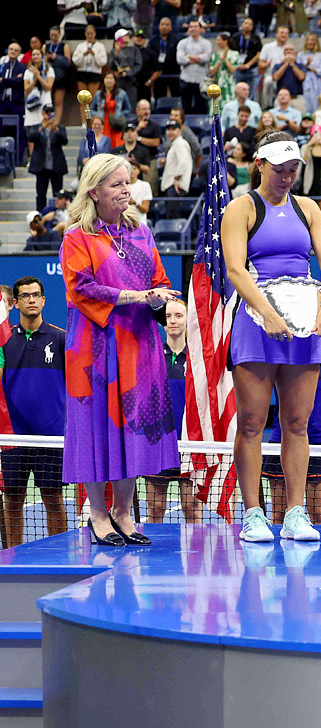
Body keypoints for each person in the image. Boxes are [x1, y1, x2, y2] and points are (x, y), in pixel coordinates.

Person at [220, 132, 321, 544]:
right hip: (257, 324)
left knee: (296, 423)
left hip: (305, 326)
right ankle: (253, 514)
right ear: (259, 164)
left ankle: (294, 513)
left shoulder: (308, 208)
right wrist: (269, 314)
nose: (287, 177)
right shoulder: (241, 208)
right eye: (279, 170)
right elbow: (236, 270)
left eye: (293, 170)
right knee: (252, 422)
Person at [60, 154, 182, 546]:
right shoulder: (76, 237)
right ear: (93, 191)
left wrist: (161, 298)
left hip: (139, 346)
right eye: (116, 184)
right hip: (94, 350)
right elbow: (82, 289)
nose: (126, 190)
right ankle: (98, 516)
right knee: (98, 428)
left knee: (133, 429)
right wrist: (138, 296)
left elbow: (159, 280)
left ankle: (124, 513)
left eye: (128, 182)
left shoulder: (141, 232)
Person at [0, 276, 67, 547]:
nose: (31, 299)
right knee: (13, 498)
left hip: (50, 436)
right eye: (25, 296)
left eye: (36, 295)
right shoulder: (4, 341)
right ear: (15, 303)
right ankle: (12, 557)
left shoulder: (61, 338)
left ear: (43, 300)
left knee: (53, 498)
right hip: (13, 436)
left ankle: (60, 555)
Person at [263, 345, 321, 526]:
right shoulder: (279, 355)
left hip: (319, 441)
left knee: (319, 513)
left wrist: (312, 418)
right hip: (280, 440)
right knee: (279, 514)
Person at [144, 299, 203, 524]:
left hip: (190, 443)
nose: (173, 321)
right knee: (156, 509)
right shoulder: (152, 355)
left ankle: (195, 558)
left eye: (178, 315)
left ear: (187, 319)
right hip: (158, 444)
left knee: (191, 509)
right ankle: (154, 558)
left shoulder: (198, 359)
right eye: (168, 317)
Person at [28, 108, 68, 213]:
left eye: (51, 113)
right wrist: (42, 127)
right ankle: (40, 217)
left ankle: (58, 215)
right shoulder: (36, 127)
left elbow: (64, 140)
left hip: (56, 166)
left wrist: (56, 129)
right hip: (41, 167)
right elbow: (31, 137)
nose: (49, 115)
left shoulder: (60, 128)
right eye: (47, 113)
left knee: (58, 194)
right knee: (41, 194)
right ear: (43, 114)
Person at [176, 18, 212, 115]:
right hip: (186, 79)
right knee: (186, 107)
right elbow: (180, 59)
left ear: (200, 28)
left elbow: (206, 58)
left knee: (201, 107)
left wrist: (189, 57)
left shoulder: (206, 43)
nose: (193, 29)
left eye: (195, 26)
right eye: (191, 27)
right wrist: (198, 58)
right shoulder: (182, 43)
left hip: (201, 81)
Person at [89, 71, 132, 148]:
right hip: (103, 124)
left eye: (111, 78)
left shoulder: (121, 93)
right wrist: (97, 116)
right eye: (107, 78)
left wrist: (121, 116)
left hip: (116, 124)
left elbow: (128, 109)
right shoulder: (98, 94)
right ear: (104, 80)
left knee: (116, 146)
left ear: (115, 81)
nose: (109, 80)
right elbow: (92, 109)